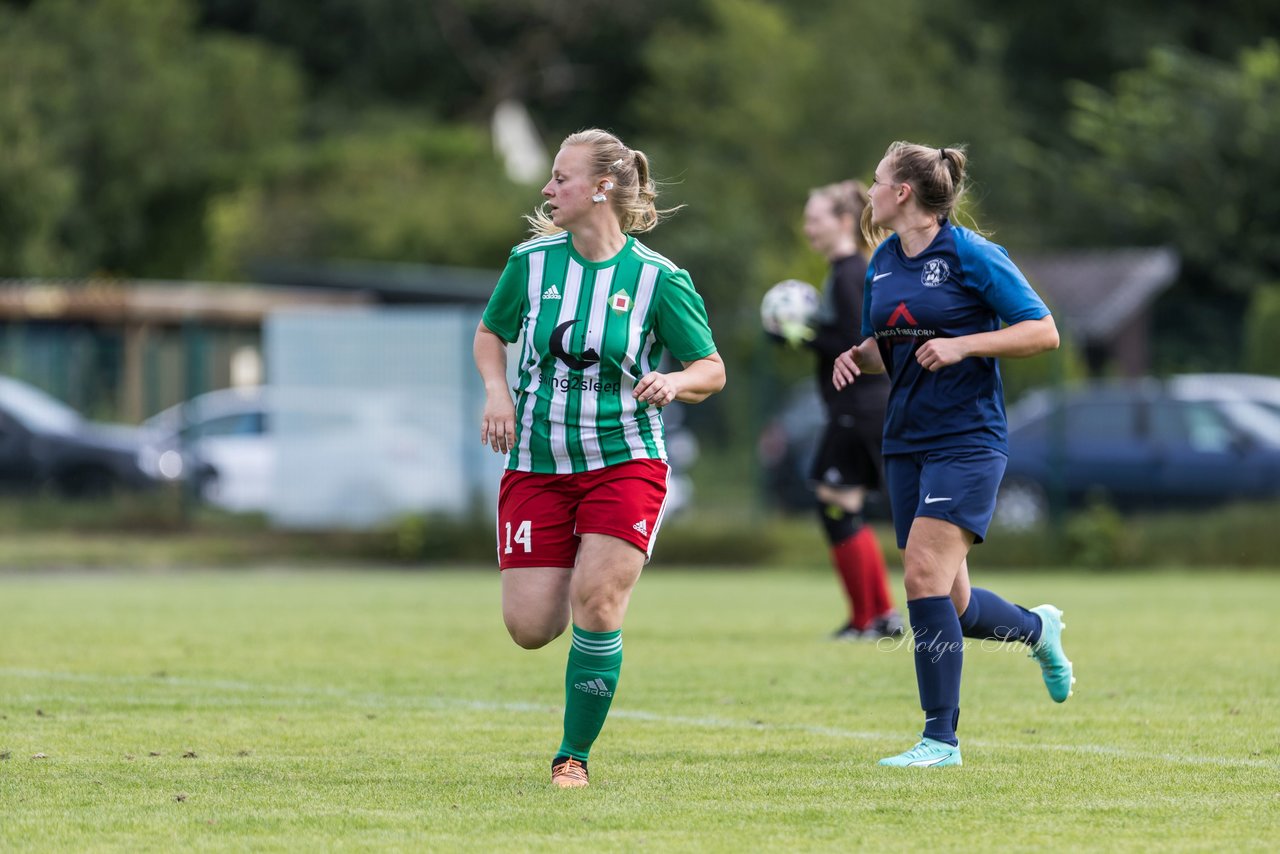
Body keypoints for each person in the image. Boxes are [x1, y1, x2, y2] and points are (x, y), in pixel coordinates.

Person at [473, 128, 726, 789]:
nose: (547, 189)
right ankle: (586, 631)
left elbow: (711, 368)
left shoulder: (658, 279)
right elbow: (490, 333)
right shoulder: (530, 263)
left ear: (601, 188)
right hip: (536, 464)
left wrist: (675, 382)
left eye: (561, 177)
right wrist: (497, 393)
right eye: (552, 177)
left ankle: (572, 756)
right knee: (530, 627)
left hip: (625, 461)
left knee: (598, 600)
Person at [833, 141, 1074, 768]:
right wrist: (855, 356)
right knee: (954, 604)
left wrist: (965, 345)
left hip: (966, 440)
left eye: (878, 180)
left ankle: (940, 740)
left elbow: (1042, 330)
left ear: (903, 193)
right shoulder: (884, 259)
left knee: (919, 578)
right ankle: (1037, 630)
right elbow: (889, 341)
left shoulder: (971, 254)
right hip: (904, 440)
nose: (870, 191)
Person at [772, 181, 902, 640]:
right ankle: (875, 615)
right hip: (857, 408)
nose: (808, 227)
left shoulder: (850, 273)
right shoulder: (844, 270)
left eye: (816, 218)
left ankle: (872, 617)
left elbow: (855, 342)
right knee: (841, 506)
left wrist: (799, 333)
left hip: (858, 407)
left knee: (837, 506)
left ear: (844, 222)